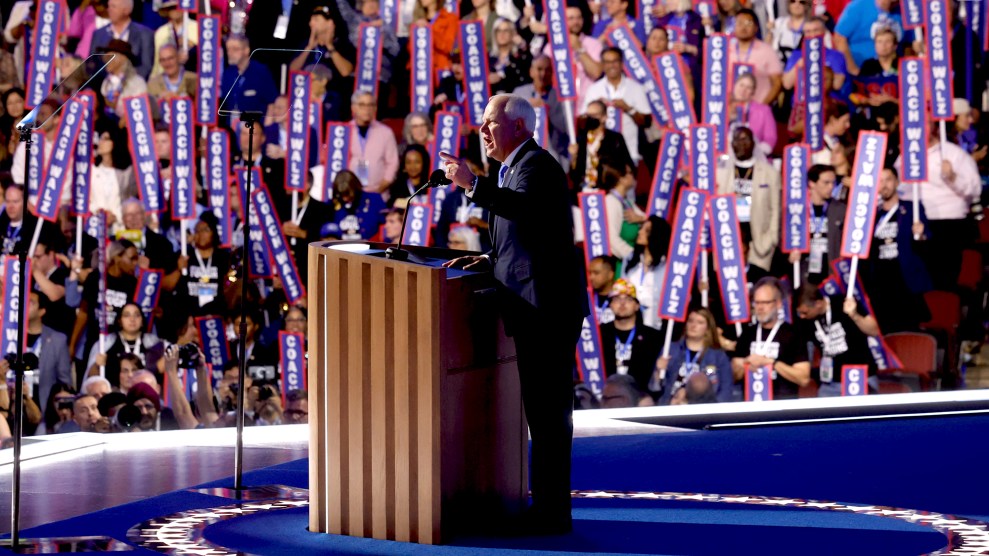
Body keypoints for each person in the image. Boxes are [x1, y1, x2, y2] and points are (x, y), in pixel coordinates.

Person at [441, 94, 588, 534]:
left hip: (546, 309)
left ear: (520, 127)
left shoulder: (536, 166)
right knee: (542, 414)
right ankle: (547, 509)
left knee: (548, 416)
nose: (482, 131)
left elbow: (521, 209)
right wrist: (487, 260)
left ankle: (550, 513)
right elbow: (526, 235)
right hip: (533, 306)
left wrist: (472, 184)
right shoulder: (513, 168)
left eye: (491, 123)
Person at [895, 122, 981, 290]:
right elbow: (900, 189)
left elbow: (975, 189)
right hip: (914, 223)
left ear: (933, 126)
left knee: (944, 281)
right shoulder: (904, 156)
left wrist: (953, 177)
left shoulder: (953, 154)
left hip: (946, 224)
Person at [862, 167, 932, 333]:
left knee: (908, 331)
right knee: (885, 332)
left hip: (905, 282)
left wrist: (920, 235)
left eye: (888, 180)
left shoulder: (912, 209)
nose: (884, 185)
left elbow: (928, 242)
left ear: (897, 182)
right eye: (880, 181)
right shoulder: (871, 215)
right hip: (880, 284)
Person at [732, 277, 811, 400]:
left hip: (783, 404)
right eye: (757, 303)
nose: (760, 307)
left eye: (765, 302)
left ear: (778, 304)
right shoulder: (747, 333)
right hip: (752, 402)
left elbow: (803, 378)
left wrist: (770, 363)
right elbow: (733, 375)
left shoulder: (793, 334)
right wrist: (745, 363)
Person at [715, 126, 780, 275]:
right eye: (736, 140)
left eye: (745, 139)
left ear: (753, 143)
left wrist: (771, 238)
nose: (740, 144)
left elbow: (775, 209)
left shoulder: (769, 173)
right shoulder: (721, 172)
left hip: (759, 244)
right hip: (729, 241)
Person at [795, 284, 880, 396]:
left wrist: (854, 315)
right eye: (799, 313)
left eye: (805, 312)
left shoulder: (844, 303)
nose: (802, 316)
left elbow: (874, 330)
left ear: (818, 304)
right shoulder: (806, 320)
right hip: (830, 382)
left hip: (859, 376)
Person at [581, 47, 651, 164]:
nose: (611, 66)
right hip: (599, 155)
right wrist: (596, 109)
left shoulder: (636, 88)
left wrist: (629, 109)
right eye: (607, 62)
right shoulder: (593, 89)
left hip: (629, 154)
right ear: (602, 65)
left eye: (615, 61)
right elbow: (582, 122)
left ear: (622, 63)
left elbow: (646, 122)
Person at [654, 308, 733, 404]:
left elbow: (726, 390)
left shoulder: (718, 356)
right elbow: (655, 388)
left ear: (708, 328)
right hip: (672, 406)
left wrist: (713, 412)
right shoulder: (670, 349)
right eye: (690, 321)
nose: (693, 325)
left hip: (703, 410)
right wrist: (658, 371)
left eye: (700, 322)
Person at [598, 279, 664, 393]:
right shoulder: (599, 334)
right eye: (617, 299)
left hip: (640, 397)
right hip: (604, 395)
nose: (622, 303)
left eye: (628, 299)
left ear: (637, 306)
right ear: (611, 305)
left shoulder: (653, 337)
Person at [85, 302, 165, 388]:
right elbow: (91, 380)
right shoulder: (105, 344)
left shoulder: (154, 344)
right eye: (127, 315)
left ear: (142, 321)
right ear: (119, 321)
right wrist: (97, 365)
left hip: (145, 394)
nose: (132, 319)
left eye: (137, 315)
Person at [569, 100, 634, 191]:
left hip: (606, 189)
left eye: (594, 115)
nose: (590, 118)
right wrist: (573, 156)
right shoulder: (581, 140)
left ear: (604, 117)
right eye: (588, 115)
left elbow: (626, 166)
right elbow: (574, 174)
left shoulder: (614, 139)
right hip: (584, 189)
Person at [622, 215, 671, 330]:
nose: (640, 232)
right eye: (641, 228)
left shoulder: (667, 265)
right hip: (629, 323)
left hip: (655, 325)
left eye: (646, 230)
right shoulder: (630, 259)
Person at [177, 212, 232, 317]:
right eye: (197, 230)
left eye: (206, 230)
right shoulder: (184, 255)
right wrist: (179, 270)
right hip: (190, 315)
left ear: (214, 232)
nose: (201, 233)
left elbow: (231, 285)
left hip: (217, 314)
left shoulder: (224, 258)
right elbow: (167, 285)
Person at [727, 9, 783, 107]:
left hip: (759, 110)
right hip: (730, 111)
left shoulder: (767, 51)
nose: (744, 27)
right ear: (734, 27)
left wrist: (761, 108)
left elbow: (777, 84)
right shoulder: (725, 50)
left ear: (756, 28)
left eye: (748, 23)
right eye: (739, 23)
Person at [27, 291, 72, 410]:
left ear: (42, 311)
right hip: (14, 401)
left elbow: (64, 380)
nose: (24, 304)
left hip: (44, 405)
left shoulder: (58, 339)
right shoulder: (8, 335)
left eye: (30, 302)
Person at [90, 0, 156, 80]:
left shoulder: (145, 34)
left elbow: (146, 66)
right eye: (108, 6)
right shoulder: (99, 34)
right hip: (103, 86)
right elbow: (92, 64)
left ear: (126, 10)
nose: (109, 9)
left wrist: (124, 82)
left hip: (133, 85)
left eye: (113, 6)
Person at [348, 91, 400, 193]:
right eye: (362, 105)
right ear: (353, 108)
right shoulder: (344, 131)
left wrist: (379, 189)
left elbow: (393, 164)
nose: (366, 109)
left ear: (375, 108)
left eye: (370, 105)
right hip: (349, 194)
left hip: (379, 193)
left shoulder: (386, 132)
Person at [727, 72, 776, 156]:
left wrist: (754, 152)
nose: (743, 90)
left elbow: (770, 139)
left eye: (748, 87)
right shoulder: (721, 109)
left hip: (756, 157)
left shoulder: (764, 110)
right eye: (741, 85)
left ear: (753, 92)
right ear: (734, 86)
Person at [588, 255, 618, 324]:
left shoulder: (621, 298)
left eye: (596, 273)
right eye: (590, 273)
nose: (591, 278)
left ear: (610, 275)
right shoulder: (586, 297)